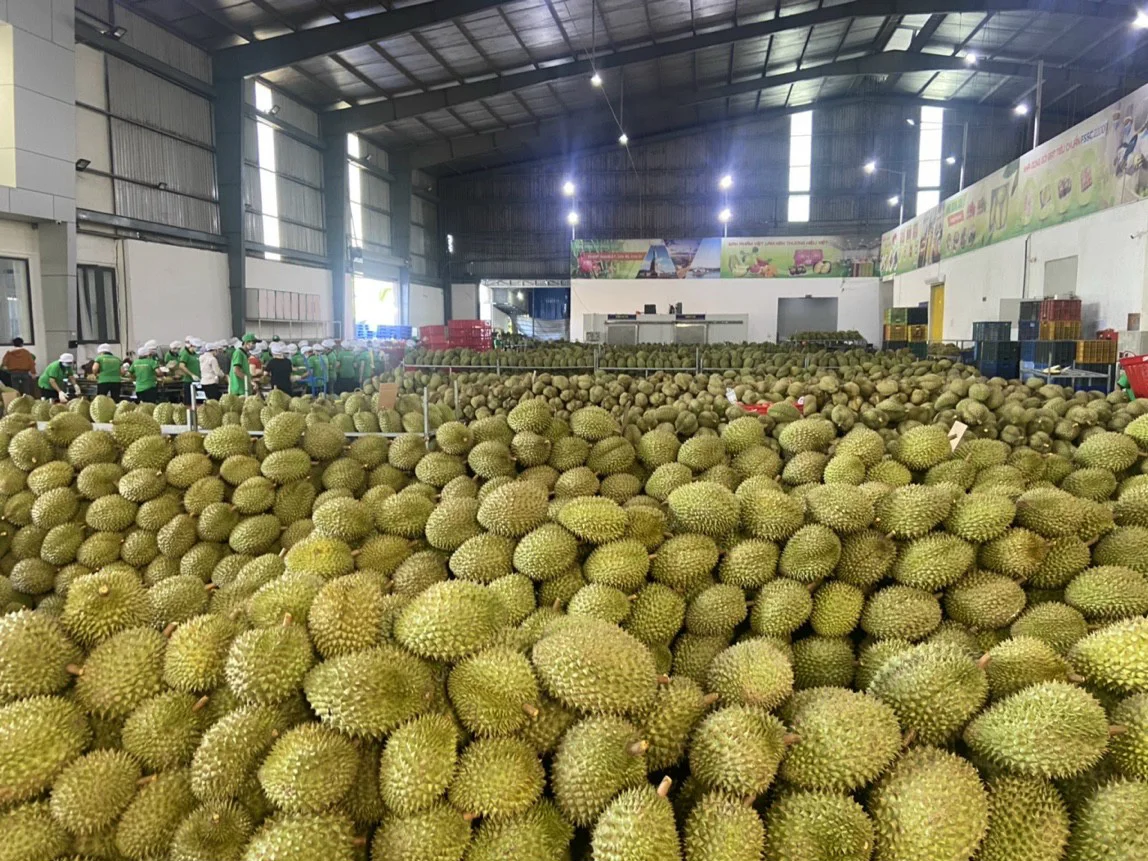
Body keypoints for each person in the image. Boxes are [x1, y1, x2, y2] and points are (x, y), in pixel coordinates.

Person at [177, 338, 201, 405]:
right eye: (197, 347)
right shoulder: (185, 353)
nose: (198, 349)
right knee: (189, 402)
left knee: (198, 401)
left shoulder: (196, 354)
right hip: (188, 381)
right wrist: (192, 375)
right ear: (192, 346)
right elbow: (181, 366)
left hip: (197, 381)